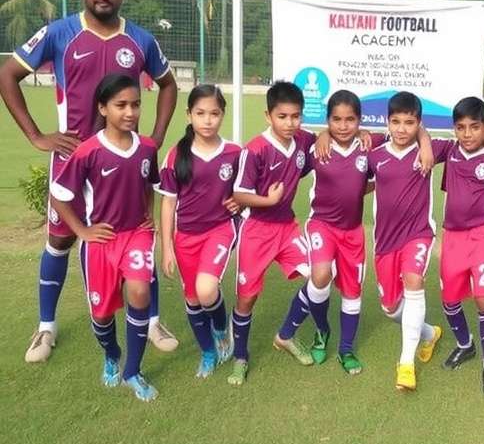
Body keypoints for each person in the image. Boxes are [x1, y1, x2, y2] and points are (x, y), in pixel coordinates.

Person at [0, 0, 179, 362]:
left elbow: (167, 85)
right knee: (61, 238)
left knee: (139, 233)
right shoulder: (59, 33)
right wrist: (35, 135)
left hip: (127, 163)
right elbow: (7, 74)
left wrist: (156, 136)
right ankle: (46, 327)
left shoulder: (140, 41)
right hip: (74, 159)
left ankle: (152, 320)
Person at [49, 74, 161, 401]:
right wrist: (82, 231)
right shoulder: (88, 151)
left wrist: (148, 214)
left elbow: (148, 185)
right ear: (103, 107)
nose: (130, 112)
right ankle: (112, 353)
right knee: (101, 315)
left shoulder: (147, 148)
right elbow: (59, 195)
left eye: (136, 104)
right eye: (120, 105)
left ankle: (132, 371)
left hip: (136, 237)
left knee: (140, 292)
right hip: (100, 241)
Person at [227, 81, 317, 385]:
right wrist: (268, 200)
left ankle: (286, 336)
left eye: (296, 116)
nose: (290, 123)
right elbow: (239, 194)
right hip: (257, 231)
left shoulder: (303, 141)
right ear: (268, 116)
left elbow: (324, 140)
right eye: (282, 116)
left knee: (320, 277)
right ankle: (240, 355)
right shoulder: (255, 149)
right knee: (247, 299)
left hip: (287, 227)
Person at [302, 90, 388, 374]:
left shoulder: (369, 144)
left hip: (353, 232)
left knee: (353, 292)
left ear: (360, 120)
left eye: (350, 120)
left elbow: (408, 132)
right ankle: (322, 329)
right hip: (322, 224)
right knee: (320, 274)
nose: (342, 126)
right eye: (336, 120)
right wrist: (320, 134)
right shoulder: (317, 147)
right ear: (327, 120)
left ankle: (346, 349)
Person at [158, 85, 240, 378]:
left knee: (207, 290)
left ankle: (220, 329)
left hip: (220, 229)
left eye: (214, 114)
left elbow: (244, 192)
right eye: (200, 113)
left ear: (223, 115)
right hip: (186, 237)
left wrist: (238, 202)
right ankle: (207, 351)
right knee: (192, 298)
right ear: (189, 114)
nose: (208, 120)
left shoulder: (234, 153)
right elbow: (168, 203)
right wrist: (167, 246)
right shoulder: (175, 155)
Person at [367, 92, 447, 391]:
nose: (402, 129)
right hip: (385, 241)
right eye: (396, 122)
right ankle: (430, 333)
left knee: (413, 280)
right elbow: (358, 183)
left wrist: (425, 140)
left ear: (418, 124)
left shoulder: (430, 150)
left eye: (410, 123)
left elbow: (476, 139)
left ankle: (406, 364)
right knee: (390, 308)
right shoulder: (374, 155)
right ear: (387, 122)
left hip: (418, 234)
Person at [437, 97, 484, 395]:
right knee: (450, 300)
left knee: (482, 299)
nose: (467, 134)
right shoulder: (450, 151)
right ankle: (465, 345)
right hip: (452, 236)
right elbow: (418, 135)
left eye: (474, 128)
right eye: (461, 128)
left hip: (482, 235)